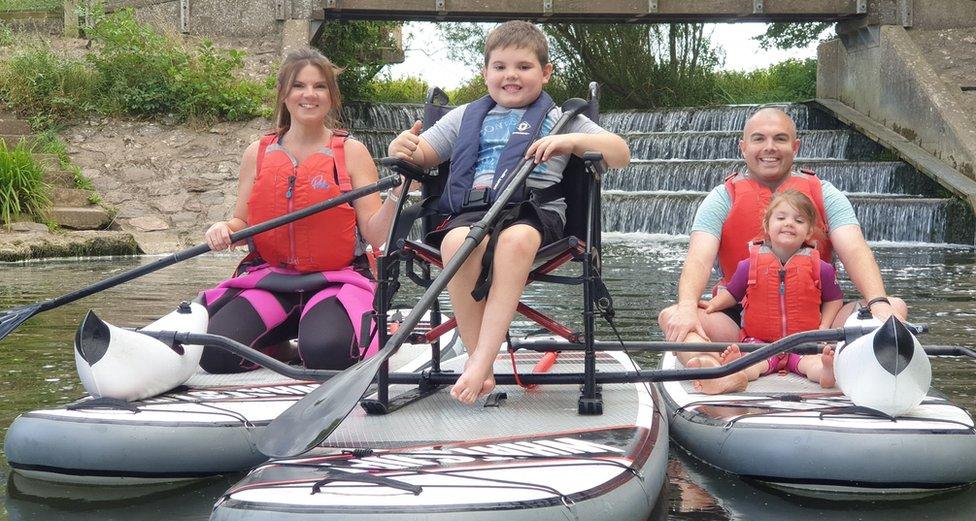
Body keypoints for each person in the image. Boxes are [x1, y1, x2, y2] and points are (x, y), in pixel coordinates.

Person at [387, 20, 630, 404]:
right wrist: (404, 146)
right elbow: (423, 154)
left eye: (523, 66)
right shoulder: (465, 116)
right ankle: (477, 361)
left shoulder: (561, 118)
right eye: (500, 67)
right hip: (474, 212)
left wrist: (570, 140)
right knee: (455, 242)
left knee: (516, 241)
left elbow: (620, 152)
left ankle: (480, 361)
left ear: (545, 73)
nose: (510, 75)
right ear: (485, 73)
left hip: (536, 210)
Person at [658, 107, 907, 392]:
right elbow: (699, 258)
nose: (769, 148)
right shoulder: (720, 198)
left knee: (894, 306)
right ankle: (718, 370)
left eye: (780, 139)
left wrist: (877, 302)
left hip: (814, 319)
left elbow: (854, 250)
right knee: (673, 314)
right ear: (743, 147)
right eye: (759, 139)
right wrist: (689, 307)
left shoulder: (825, 194)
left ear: (795, 146)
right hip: (741, 324)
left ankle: (838, 365)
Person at [199, 47, 404, 373]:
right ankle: (280, 347)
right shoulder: (258, 153)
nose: (309, 94)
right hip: (270, 281)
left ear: (332, 96)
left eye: (319, 86)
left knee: (327, 354)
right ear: (283, 94)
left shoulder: (352, 152)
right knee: (213, 353)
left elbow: (376, 235)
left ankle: (317, 336)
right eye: (299, 86)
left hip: (334, 282)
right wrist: (224, 228)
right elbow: (241, 221)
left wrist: (396, 194)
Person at [697, 190, 843, 394]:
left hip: (804, 341)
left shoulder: (821, 268)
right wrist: (712, 305)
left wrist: (823, 327)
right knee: (752, 365)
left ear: (809, 232)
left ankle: (826, 371)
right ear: (767, 225)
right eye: (781, 218)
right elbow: (732, 294)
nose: (789, 223)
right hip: (760, 343)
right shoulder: (748, 265)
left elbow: (834, 299)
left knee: (814, 365)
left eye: (799, 221)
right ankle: (736, 369)